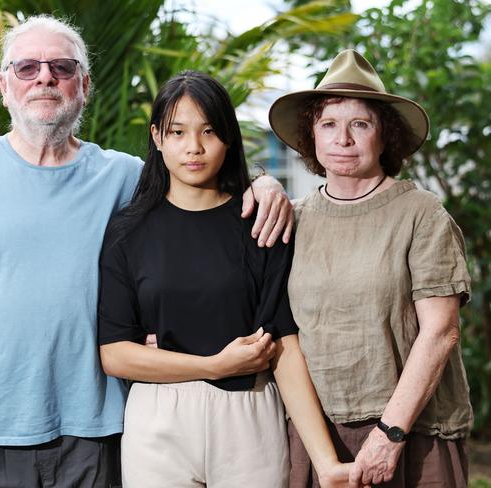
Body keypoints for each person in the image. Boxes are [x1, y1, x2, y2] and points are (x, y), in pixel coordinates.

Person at [0, 15, 293, 488]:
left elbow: (202, 190)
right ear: (4, 85)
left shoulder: (126, 178)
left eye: (61, 66)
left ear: (84, 83)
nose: (44, 77)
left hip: (99, 432)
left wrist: (263, 183)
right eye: (27, 68)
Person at [97, 71, 355, 488]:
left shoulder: (260, 223)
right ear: (157, 138)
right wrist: (213, 366)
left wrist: (327, 464)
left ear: (229, 139)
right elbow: (115, 354)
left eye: (209, 131)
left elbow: (284, 345)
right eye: (177, 132)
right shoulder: (127, 232)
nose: (193, 147)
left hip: (249, 415)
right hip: (157, 418)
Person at [268, 49, 473, 488]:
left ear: (386, 136)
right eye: (328, 124)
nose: (343, 139)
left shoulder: (421, 213)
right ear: (311, 136)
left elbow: (441, 332)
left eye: (359, 124)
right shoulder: (293, 218)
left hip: (411, 432)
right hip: (318, 436)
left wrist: (389, 435)